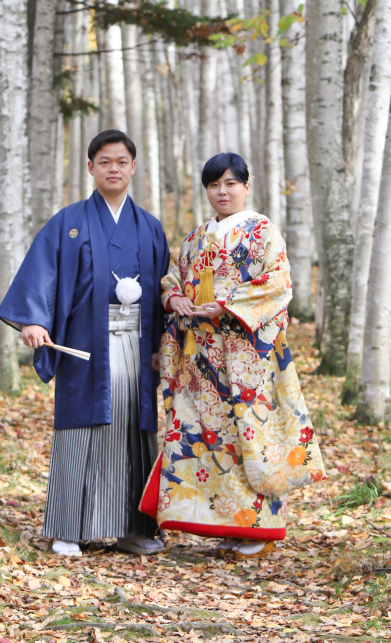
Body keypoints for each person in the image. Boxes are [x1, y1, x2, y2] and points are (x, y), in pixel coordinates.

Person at [141, 152, 325, 557]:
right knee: (208, 438)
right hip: (200, 358)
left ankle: (256, 527)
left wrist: (227, 306)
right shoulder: (194, 237)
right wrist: (174, 298)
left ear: (246, 185)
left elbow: (277, 282)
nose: (222, 192)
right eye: (213, 185)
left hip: (245, 354)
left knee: (249, 436)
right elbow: (173, 277)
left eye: (230, 184)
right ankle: (224, 523)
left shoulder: (261, 231)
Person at [0, 129, 170, 558]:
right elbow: (42, 272)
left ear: (133, 167)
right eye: (105, 161)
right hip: (84, 345)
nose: (114, 168)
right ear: (91, 167)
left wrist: (160, 346)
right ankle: (68, 528)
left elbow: (165, 286)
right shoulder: (68, 223)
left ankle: (133, 528)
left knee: (133, 431)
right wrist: (34, 320)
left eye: (122, 161)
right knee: (81, 430)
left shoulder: (149, 227)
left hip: (136, 341)